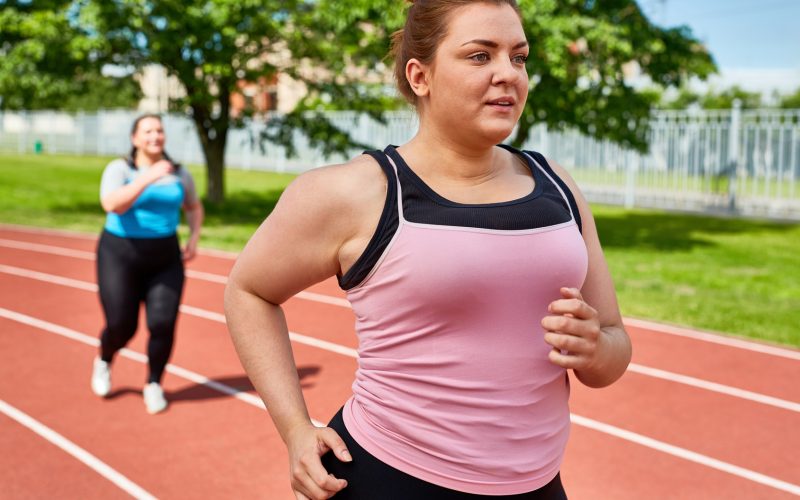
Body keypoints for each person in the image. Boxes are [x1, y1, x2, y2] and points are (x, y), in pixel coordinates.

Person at [224, 0, 631, 498]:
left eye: (519, 57)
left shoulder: (558, 186)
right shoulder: (356, 192)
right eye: (481, 56)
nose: (508, 73)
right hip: (390, 478)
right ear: (420, 76)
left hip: (538, 486)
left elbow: (612, 346)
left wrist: (593, 349)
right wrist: (294, 428)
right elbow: (249, 291)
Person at [91, 113, 204, 415]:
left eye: (160, 130)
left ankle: (154, 384)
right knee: (121, 326)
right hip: (119, 253)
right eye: (148, 131)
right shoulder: (120, 168)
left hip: (165, 258)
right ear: (135, 138)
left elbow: (193, 206)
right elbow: (112, 204)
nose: (155, 135)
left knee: (162, 323)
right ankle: (104, 359)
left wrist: (193, 236)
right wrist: (149, 176)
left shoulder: (179, 173)